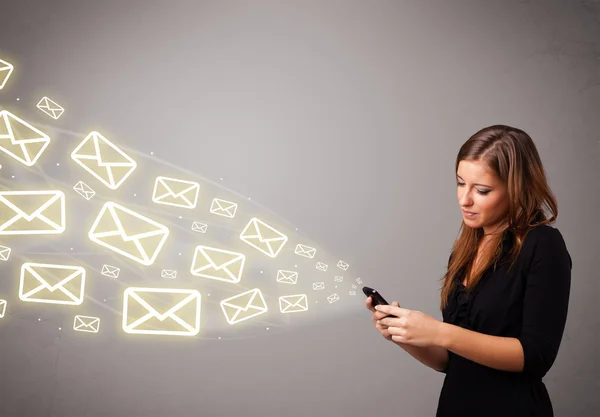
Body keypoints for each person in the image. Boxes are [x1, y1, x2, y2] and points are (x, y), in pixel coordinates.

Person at [366, 124, 572, 417]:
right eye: (461, 183)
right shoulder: (466, 248)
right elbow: (449, 362)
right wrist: (405, 334)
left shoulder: (544, 245)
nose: (465, 199)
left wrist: (438, 331)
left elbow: (536, 356)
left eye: (482, 190)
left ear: (516, 188)